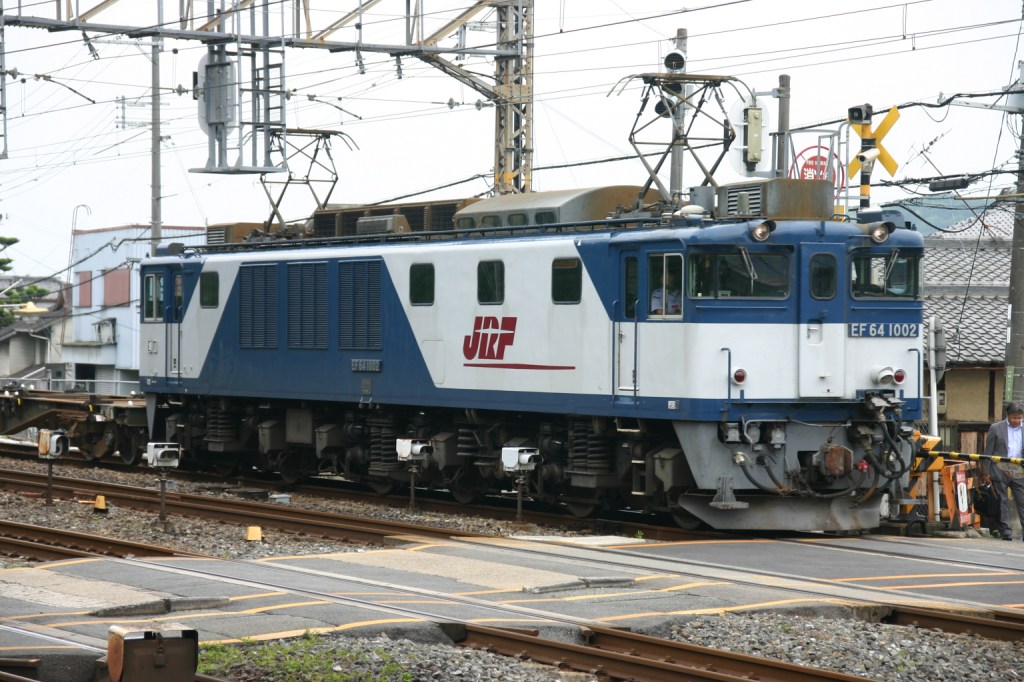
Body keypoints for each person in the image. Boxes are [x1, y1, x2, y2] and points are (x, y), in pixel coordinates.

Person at [982, 402, 1024, 540]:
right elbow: (988, 451)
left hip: (1019, 469)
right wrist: (986, 472)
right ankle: (1006, 532)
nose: (1017, 420)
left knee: (1022, 501)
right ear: (1007, 415)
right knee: (1002, 501)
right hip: (999, 469)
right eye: (1014, 417)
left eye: (1019, 418)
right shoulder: (996, 428)